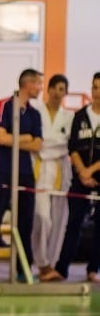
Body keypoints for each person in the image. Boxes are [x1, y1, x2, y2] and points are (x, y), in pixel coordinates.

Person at [0, 69, 43, 283]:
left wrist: (15, 138)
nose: (40, 88)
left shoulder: (34, 114)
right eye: (38, 84)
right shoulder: (3, 105)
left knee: (25, 222)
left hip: (24, 173)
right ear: (28, 84)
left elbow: (37, 143)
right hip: (0, 171)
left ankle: (24, 269)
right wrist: (25, 138)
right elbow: (0, 138)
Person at [55, 72, 100, 283]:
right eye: (94, 87)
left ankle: (93, 270)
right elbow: (72, 147)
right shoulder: (80, 116)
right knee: (73, 224)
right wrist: (82, 172)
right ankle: (61, 269)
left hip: (97, 178)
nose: (97, 92)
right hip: (80, 180)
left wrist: (92, 171)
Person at [32, 75, 75, 282]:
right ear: (48, 90)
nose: (59, 93)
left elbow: (66, 145)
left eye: (62, 89)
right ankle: (41, 262)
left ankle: (52, 263)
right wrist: (51, 145)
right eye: (56, 88)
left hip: (60, 172)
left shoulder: (69, 117)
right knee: (42, 218)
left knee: (59, 220)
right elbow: (36, 143)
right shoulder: (35, 113)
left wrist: (46, 144)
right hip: (39, 170)